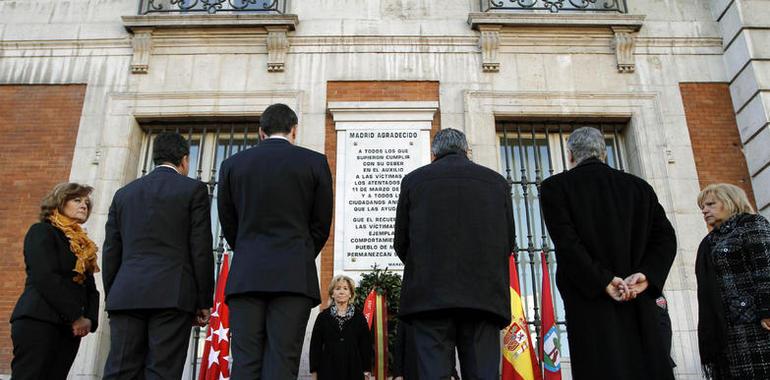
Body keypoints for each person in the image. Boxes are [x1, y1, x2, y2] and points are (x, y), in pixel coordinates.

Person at [539, 126, 677, 380]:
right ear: (604, 153)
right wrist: (645, 277)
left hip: (590, 305)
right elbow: (666, 239)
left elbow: (568, 244)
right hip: (638, 302)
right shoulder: (639, 188)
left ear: (570, 155)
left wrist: (603, 280)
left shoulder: (554, 188)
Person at [218, 103, 333, 379]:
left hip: (247, 275)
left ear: (260, 132)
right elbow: (321, 224)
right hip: (293, 276)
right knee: (283, 361)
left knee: (245, 362)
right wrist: (301, 252)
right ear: (294, 130)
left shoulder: (232, 164)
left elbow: (228, 221)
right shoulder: (315, 163)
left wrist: (247, 249)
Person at [394, 128, 512, 379]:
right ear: (466, 150)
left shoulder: (414, 181)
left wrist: (425, 268)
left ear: (433, 153)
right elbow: (507, 242)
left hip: (429, 297)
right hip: (483, 297)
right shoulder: (496, 182)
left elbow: (401, 241)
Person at [102, 132, 214, 379]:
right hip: (172, 295)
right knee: (162, 371)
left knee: (120, 370)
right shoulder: (194, 190)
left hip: (126, 294)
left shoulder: (124, 194)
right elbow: (201, 249)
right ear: (184, 160)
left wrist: (114, 294)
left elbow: (111, 250)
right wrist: (204, 300)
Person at [10, 183, 100, 380]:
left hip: (69, 329)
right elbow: (44, 276)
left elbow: (91, 288)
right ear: (60, 202)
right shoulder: (42, 231)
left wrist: (89, 319)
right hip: (39, 320)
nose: (84, 205)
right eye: (77, 200)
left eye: (87, 202)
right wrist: (75, 316)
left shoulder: (82, 245)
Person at [695, 183, 770, 379]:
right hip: (725, 328)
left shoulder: (752, 224)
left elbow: (765, 269)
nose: (704, 210)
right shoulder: (711, 241)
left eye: (710, 204)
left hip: (757, 324)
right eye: (702, 206)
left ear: (731, 202)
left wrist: (768, 310)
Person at [309, 275, 372, 380]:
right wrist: (314, 373)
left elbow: (365, 345)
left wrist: (366, 372)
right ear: (332, 294)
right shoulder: (323, 317)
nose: (341, 292)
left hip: (354, 370)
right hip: (328, 370)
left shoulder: (359, 317)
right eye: (337, 288)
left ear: (350, 294)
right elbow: (315, 346)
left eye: (345, 288)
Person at [392, 321, 460, 380]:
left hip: (439, 370)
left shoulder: (441, 310)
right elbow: (399, 345)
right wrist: (398, 374)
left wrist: (452, 373)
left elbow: (448, 344)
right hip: (412, 370)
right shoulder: (409, 310)